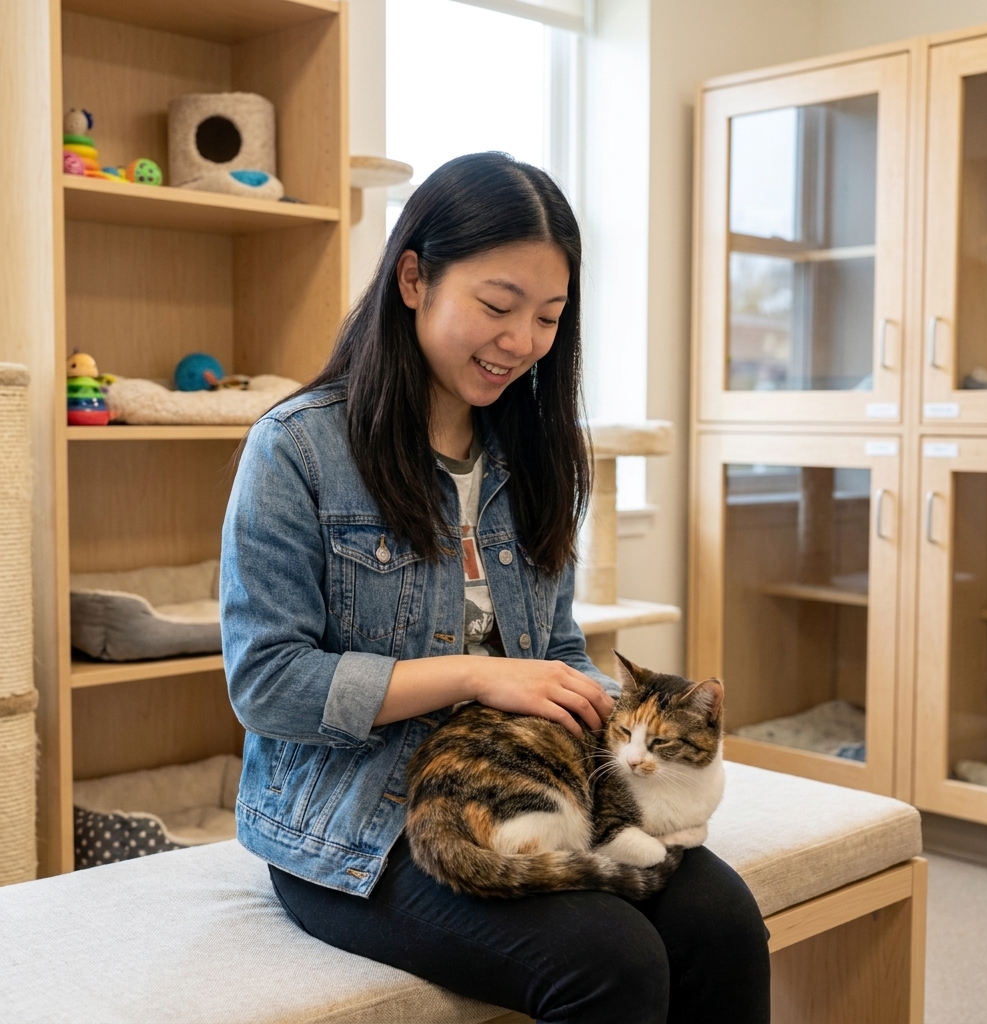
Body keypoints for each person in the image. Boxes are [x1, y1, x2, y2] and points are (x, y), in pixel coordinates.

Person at [221, 152, 770, 1024]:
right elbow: (266, 683)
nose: (522, 342)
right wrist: (475, 675)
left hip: (524, 777)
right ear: (414, 278)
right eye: (497, 305)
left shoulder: (535, 454)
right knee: (612, 960)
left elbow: (552, 653)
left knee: (723, 923)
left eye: (548, 318)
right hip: (356, 821)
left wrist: (627, 723)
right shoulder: (296, 449)